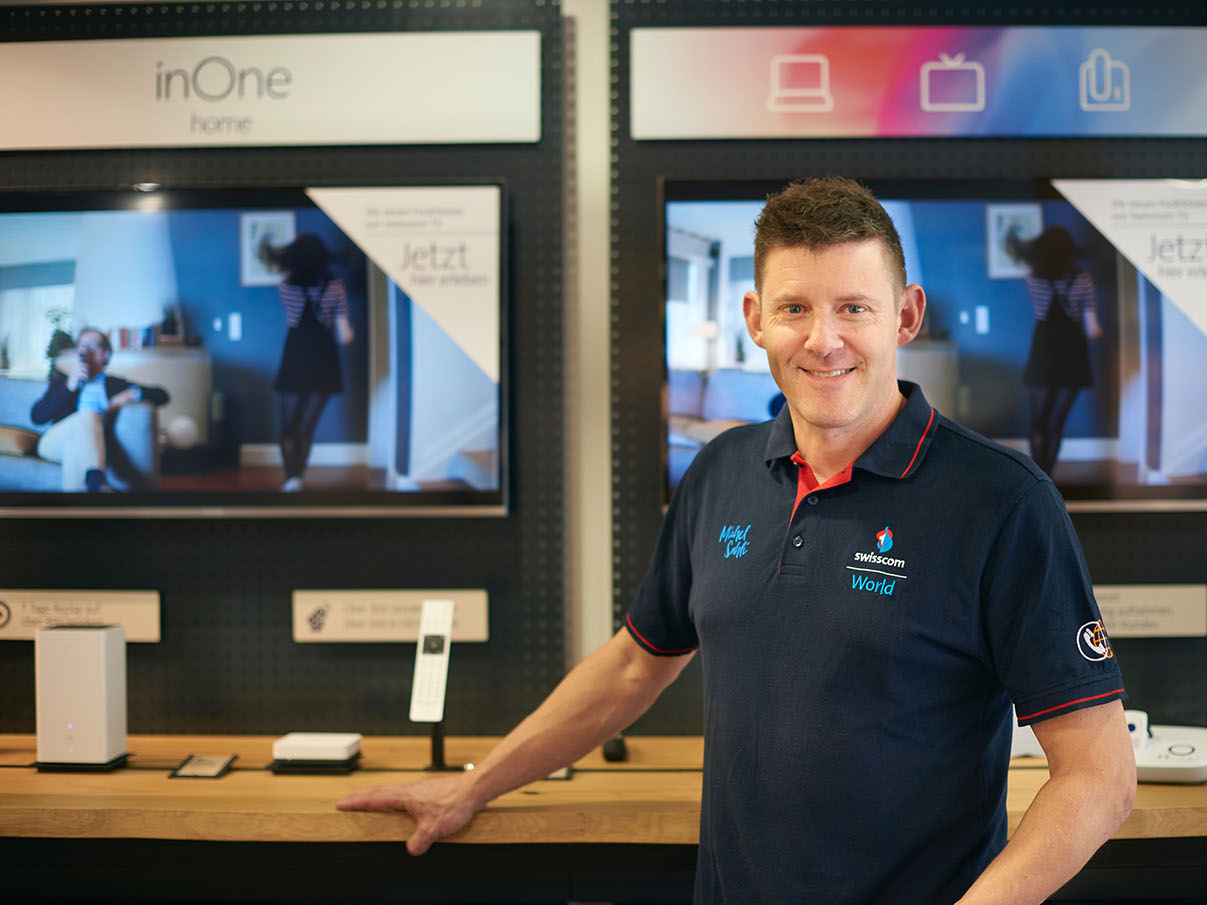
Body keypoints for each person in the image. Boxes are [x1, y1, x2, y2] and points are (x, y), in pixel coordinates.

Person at [338, 177, 1136, 905]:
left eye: (854, 308)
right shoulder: (721, 470)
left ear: (905, 315)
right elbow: (632, 666)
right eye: (795, 309)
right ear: (756, 319)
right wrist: (471, 786)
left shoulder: (1004, 502)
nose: (823, 339)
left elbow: (1099, 775)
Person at [1007, 225, 1103, 477]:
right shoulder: (1082, 280)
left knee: (1038, 421)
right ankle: (1048, 478)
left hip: (1044, 352)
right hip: (1074, 354)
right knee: (1056, 423)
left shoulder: (1033, 278)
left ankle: (1037, 478)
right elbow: (1092, 330)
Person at [262, 233, 354, 492]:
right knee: (306, 428)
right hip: (324, 359)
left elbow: (293, 318)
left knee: (288, 427)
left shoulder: (286, 287)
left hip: (295, 356)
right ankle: (297, 480)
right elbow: (345, 336)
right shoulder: (335, 287)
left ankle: (290, 479)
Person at [30, 327, 170, 492]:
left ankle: (87, 494)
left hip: (86, 446)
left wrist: (131, 394)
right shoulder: (63, 381)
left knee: (73, 448)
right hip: (53, 442)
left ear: (105, 354)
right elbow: (37, 417)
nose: (85, 351)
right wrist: (69, 387)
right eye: (82, 346)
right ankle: (97, 481)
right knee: (88, 415)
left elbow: (162, 395)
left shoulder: (114, 385)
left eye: (92, 346)